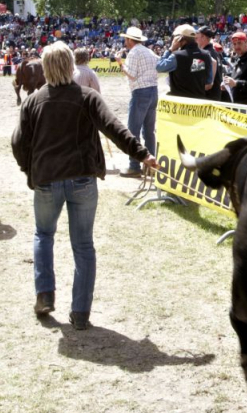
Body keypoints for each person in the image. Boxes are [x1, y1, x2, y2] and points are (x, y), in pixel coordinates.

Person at [12, 41, 158, 331]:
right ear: (69, 65)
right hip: (81, 178)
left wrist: (30, 169)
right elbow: (114, 126)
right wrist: (143, 154)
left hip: (46, 179)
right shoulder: (88, 96)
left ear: (45, 68)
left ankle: (45, 293)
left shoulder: (32, 101)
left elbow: (18, 143)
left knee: (43, 235)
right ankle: (80, 311)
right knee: (83, 245)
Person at [117, 25, 157, 180]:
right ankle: (150, 164)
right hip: (153, 91)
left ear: (129, 40)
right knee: (149, 131)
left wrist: (120, 63)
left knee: (133, 130)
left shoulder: (134, 53)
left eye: (126, 39)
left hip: (140, 92)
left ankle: (134, 165)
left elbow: (132, 75)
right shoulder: (149, 51)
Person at [155, 24, 212, 99]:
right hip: (199, 102)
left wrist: (170, 49)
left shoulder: (177, 56)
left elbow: (159, 67)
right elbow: (208, 81)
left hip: (180, 102)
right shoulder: (206, 55)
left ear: (179, 39)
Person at [195, 26, 221, 99]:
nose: (195, 40)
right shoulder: (215, 52)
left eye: (197, 38)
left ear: (203, 37)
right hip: (215, 96)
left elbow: (196, 76)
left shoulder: (203, 54)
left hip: (207, 97)